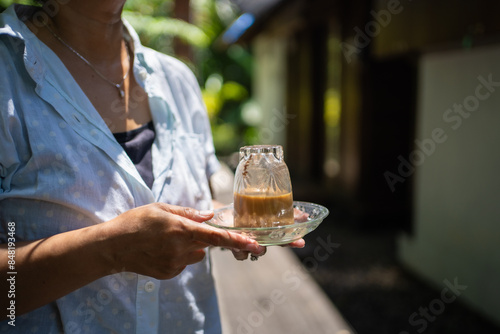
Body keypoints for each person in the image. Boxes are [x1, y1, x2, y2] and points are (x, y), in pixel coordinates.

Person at [0, 1, 304, 333]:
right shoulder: (7, 76)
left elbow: (191, 204)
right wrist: (110, 250)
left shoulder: (176, 80)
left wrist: (233, 221)